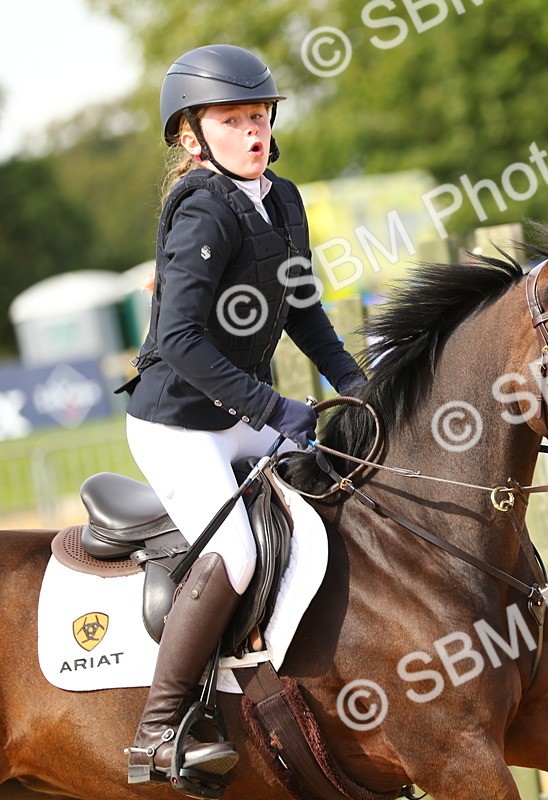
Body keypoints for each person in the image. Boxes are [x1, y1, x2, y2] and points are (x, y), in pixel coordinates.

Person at [118, 44, 366, 791]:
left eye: (260, 117)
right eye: (234, 120)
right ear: (194, 135)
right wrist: (276, 407)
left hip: (245, 411)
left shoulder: (282, 198)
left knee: (338, 496)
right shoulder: (201, 208)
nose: (254, 131)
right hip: (179, 424)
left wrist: (359, 385)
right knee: (240, 551)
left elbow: (302, 309)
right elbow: (179, 341)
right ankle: (159, 728)